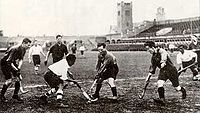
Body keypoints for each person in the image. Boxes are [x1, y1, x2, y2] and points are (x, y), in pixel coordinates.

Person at [144, 41, 186, 105]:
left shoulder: (161, 50)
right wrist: (148, 77)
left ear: (152, 47)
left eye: (148, 49)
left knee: (177, 88)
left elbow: (164, 54)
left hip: (171, 70)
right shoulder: (153, 57)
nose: (148, 51)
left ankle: (183, 90)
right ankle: (162, 99)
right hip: (163, 71)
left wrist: (163, 62)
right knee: (159, 83)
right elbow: (152, 67)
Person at [0, 38, 32, 103]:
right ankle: (1, 96)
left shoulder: (24, 49)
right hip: (5, 63)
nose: (29, 47)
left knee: (18, 78)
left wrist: (18, 68)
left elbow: (21, 59)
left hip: (12, 62)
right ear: (23, 43)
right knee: (9, 80)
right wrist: (16, 70)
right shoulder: (15, 49)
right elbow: (8, 61)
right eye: (28, 45)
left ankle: (15, 95)